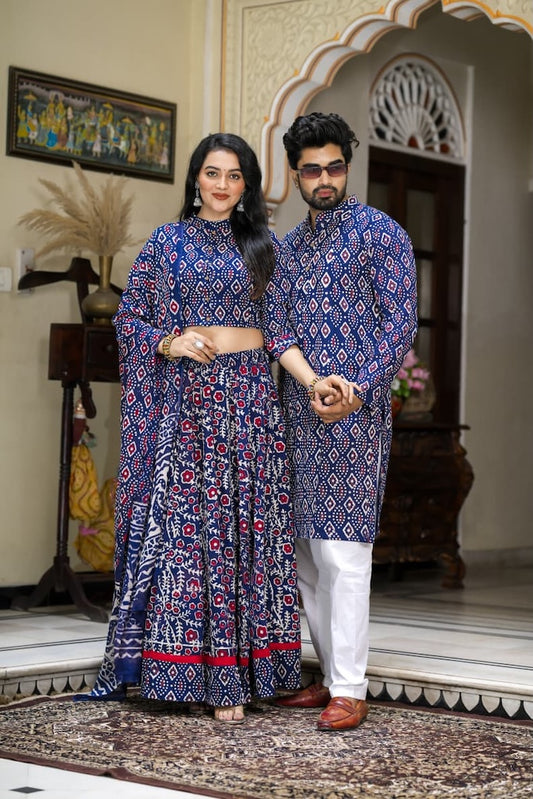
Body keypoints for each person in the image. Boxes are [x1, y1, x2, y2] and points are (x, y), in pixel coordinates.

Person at [82, 132, 353, 723]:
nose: (223, 186)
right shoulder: (168, 242)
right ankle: (209, 680)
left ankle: (256, 673)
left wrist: (316, 380)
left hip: (253, 401)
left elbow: (285, 331)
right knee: (197, 532)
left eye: (235, 176)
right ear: (196, 179)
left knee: (249, 532)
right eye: (212, 173)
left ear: (248, 185)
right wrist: (171, 341)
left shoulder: (266, 246)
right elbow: (131, 319)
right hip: (190, 405)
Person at [274, 113, 418, 731]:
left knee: (344, 551)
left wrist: (357, 388)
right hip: (297, 412)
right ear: (296, 174)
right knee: (306, 553)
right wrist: (311, 383)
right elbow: (277, 327)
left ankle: (352, 687)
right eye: (313, 169)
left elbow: (400, 323)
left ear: (347, 166)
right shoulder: (286, 248)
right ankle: (330, 675)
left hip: (356, 417)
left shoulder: (382, 233)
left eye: (335, 166)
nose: (325, 178)